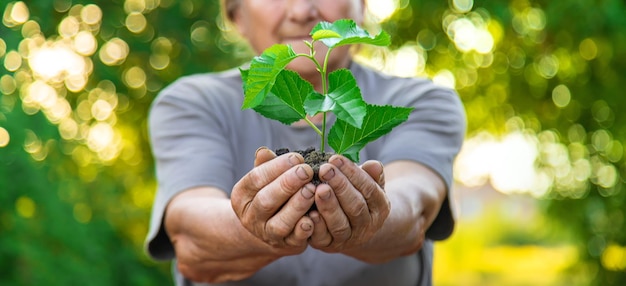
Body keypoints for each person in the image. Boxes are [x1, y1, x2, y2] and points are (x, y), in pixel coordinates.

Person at [144, 0, 466, 285]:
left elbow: (413, 208)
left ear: (362, 8)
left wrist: (373, 216)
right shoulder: (191, 103)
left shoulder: (424, 101)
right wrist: (254, 224)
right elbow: (189, 232)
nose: (301, 12)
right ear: (237, 15)